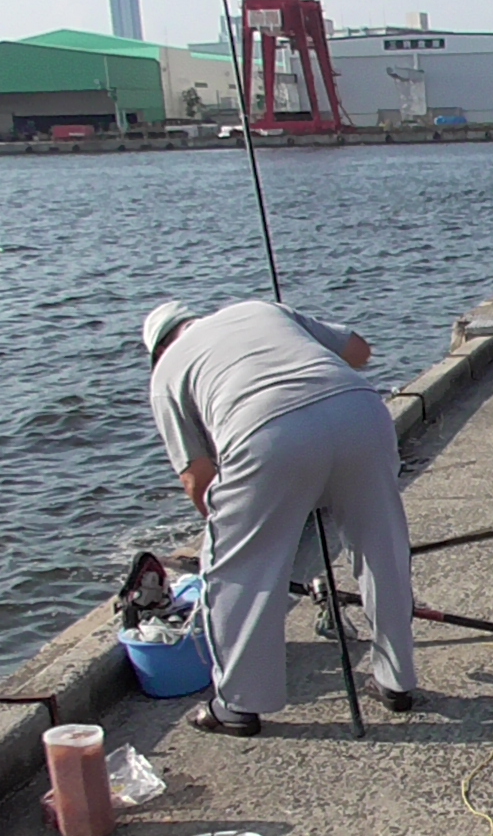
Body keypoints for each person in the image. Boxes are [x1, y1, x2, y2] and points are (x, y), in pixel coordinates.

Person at [142, 300, 418, 737]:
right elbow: (360, 351)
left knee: (239, 572)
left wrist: (241, 530)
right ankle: (397, 681)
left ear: (157, 350)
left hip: (264, 432)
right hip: (361, 412)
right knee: (382, 548)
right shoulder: (259, 309)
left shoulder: (166, 374)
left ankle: (237, 705)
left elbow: (198, 480)